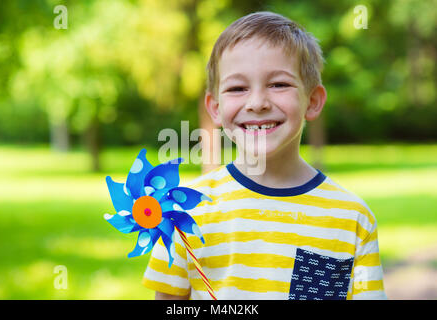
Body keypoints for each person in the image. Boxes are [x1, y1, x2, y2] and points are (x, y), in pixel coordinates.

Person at [142, 11, 387, 300]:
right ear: (215, 108)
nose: (257, 103)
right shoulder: (182, 212)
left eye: (278, 84)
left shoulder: (352, 218)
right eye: (237, 88)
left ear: (312, 100)